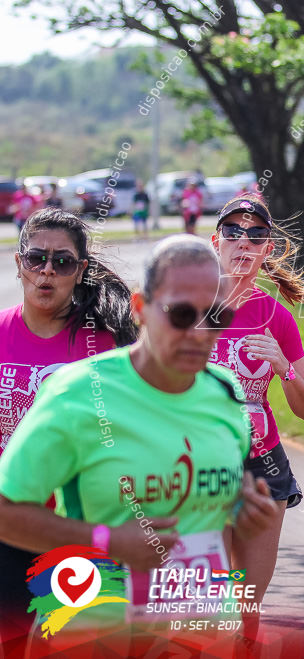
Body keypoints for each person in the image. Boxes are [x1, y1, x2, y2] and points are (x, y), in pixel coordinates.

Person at [0, 235, 278, 644]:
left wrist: (242, 511)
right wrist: (109, 542)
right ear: (141, 310)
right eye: (182, 315)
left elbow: (207, 519)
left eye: (215, 317)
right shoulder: (77, 394)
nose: (201, 333)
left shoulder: (226, 393)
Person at [0, 208, 136, 645]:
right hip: (7, 520)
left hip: (81, 527)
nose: (47, 271)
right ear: (18, 263)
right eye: (37, 258)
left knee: (81, 647)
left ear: (79, 272)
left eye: (61, 262)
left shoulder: (104, 344)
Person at [208, 195, 304, 641]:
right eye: (233, 232)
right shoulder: (185, 309)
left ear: (268, 248)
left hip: (263, 465)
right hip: (199, 467)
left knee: (247, 610)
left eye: (256, 235)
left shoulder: (276, 316)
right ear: (215, 241)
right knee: (210, 600)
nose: (244, 242)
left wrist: (284, 367)